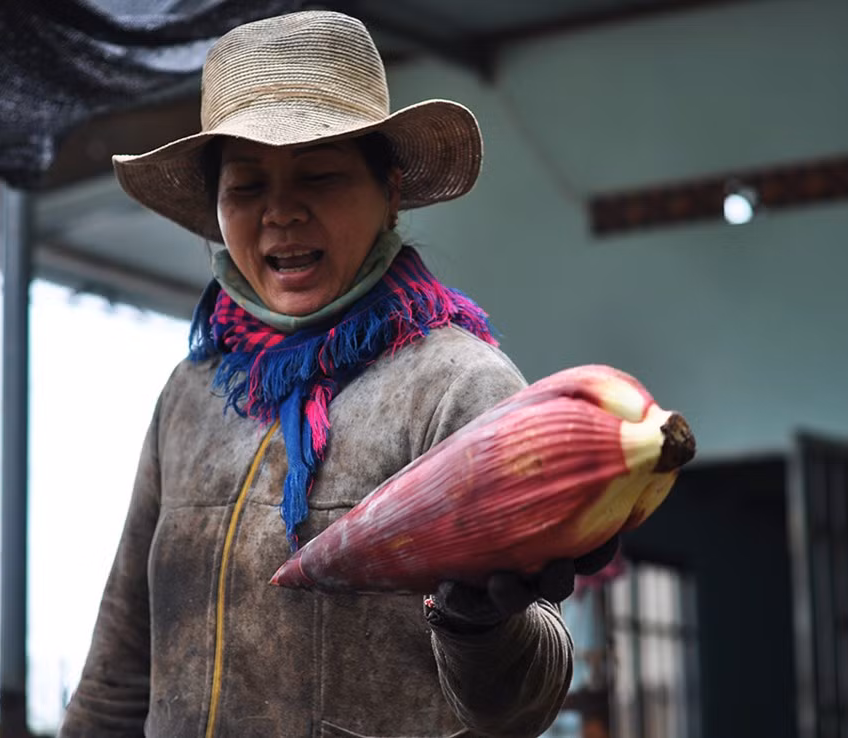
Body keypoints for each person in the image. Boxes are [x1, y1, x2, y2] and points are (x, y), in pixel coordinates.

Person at [60, 10, 609, 737]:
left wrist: (481, 627)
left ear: (390, 191)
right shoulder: (194, 393)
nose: (281, 212)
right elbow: (122, 660)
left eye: (319, 175)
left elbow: (526, 705)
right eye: (247, 187)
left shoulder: (458, 387)